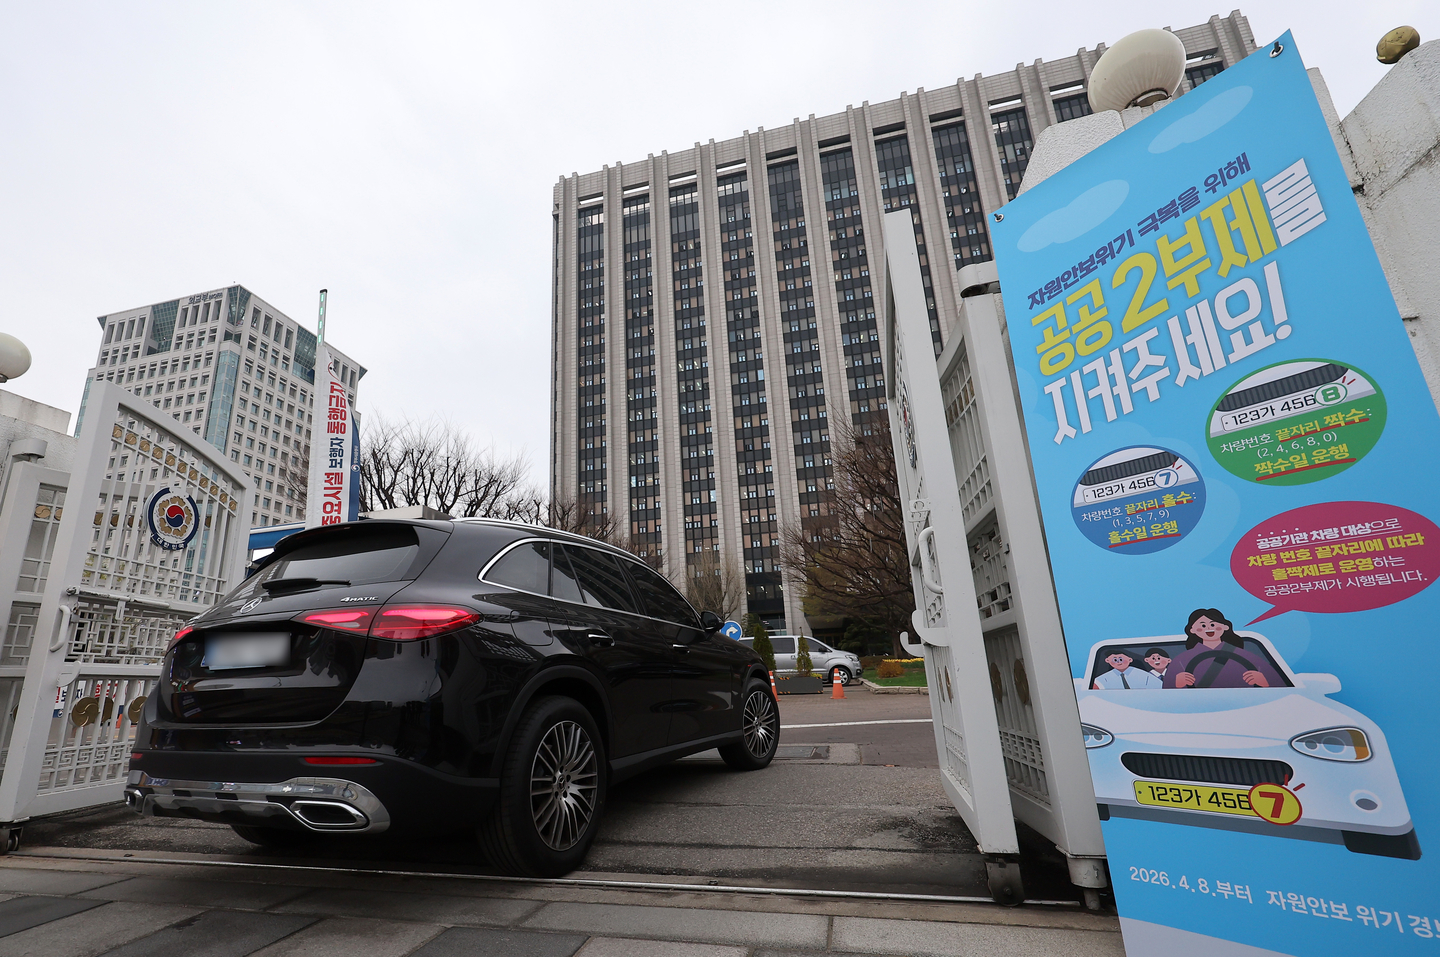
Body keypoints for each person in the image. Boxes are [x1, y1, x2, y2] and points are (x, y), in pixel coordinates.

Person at [1165, 609, 1284, 689]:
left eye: (1213, 624)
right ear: (1192, 630)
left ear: (1225, 626)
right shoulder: (1181, 660)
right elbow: (1164, 696)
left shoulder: (1247, 656)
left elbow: (1281, 687)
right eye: (1202, 625)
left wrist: (1264, 681)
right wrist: (1177, 684)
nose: (1209, 629)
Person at [1093, 651, 1161, 689]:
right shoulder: (1103, 678)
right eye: (1115, 660)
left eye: (1121, 659)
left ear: (1130, 659)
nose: (1119, 662)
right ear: (1107, 660)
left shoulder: (1144, 675)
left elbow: (1159, 687)